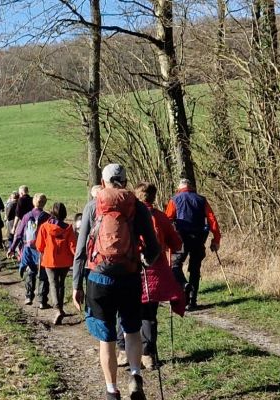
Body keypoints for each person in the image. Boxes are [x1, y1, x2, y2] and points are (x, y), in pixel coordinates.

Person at [72, 164, 162, 400]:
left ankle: (112, 391)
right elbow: (154, 247)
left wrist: (75, 286)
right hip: (129, 276)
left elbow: (80, 250)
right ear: (124, 181)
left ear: (103, 182)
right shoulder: (137, 206)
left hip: (99, 278)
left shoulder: (93, 206)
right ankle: (135, 375)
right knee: (132, 330)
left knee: (107, 338)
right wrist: (143, 261)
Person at [134, 183, 186, 369]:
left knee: (129, 313)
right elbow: (177, 244)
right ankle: (148, 354)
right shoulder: (161, 217)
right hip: (156, 273)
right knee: (149, 314)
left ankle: (127, 351)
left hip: (133, 271)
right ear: (153, 197)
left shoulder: (129, 216)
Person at [166, 179, 222, 309]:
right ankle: (192, 301)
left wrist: (166, 238)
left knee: (175, 265)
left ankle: (184, 285)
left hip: (181, 239)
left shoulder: (174, 199)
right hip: (198, 238)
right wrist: (216, 239)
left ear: (179, 188)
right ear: (191, 187)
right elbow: (212, 219)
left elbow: (167, 219)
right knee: (195, 268)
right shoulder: (202, 200)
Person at [35, 201, 74, 318]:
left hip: (49, 260)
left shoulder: (44, 227)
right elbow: (73, 246)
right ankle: (60, 308)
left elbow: (39, 246)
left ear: (52, 212)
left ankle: (57, 309)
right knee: (61, 284)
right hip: (65, 261)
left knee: (53, 284)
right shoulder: (68, 228)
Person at [11, 195, 50, 305]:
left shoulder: (27, 216)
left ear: (34, 203)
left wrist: (12, 248)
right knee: (43, 274)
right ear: (44, 203)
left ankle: (29, 296)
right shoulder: (48, 217)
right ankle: (42, 300)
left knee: (30, 271)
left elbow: (18, 234)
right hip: (42, 249)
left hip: (28, 248)